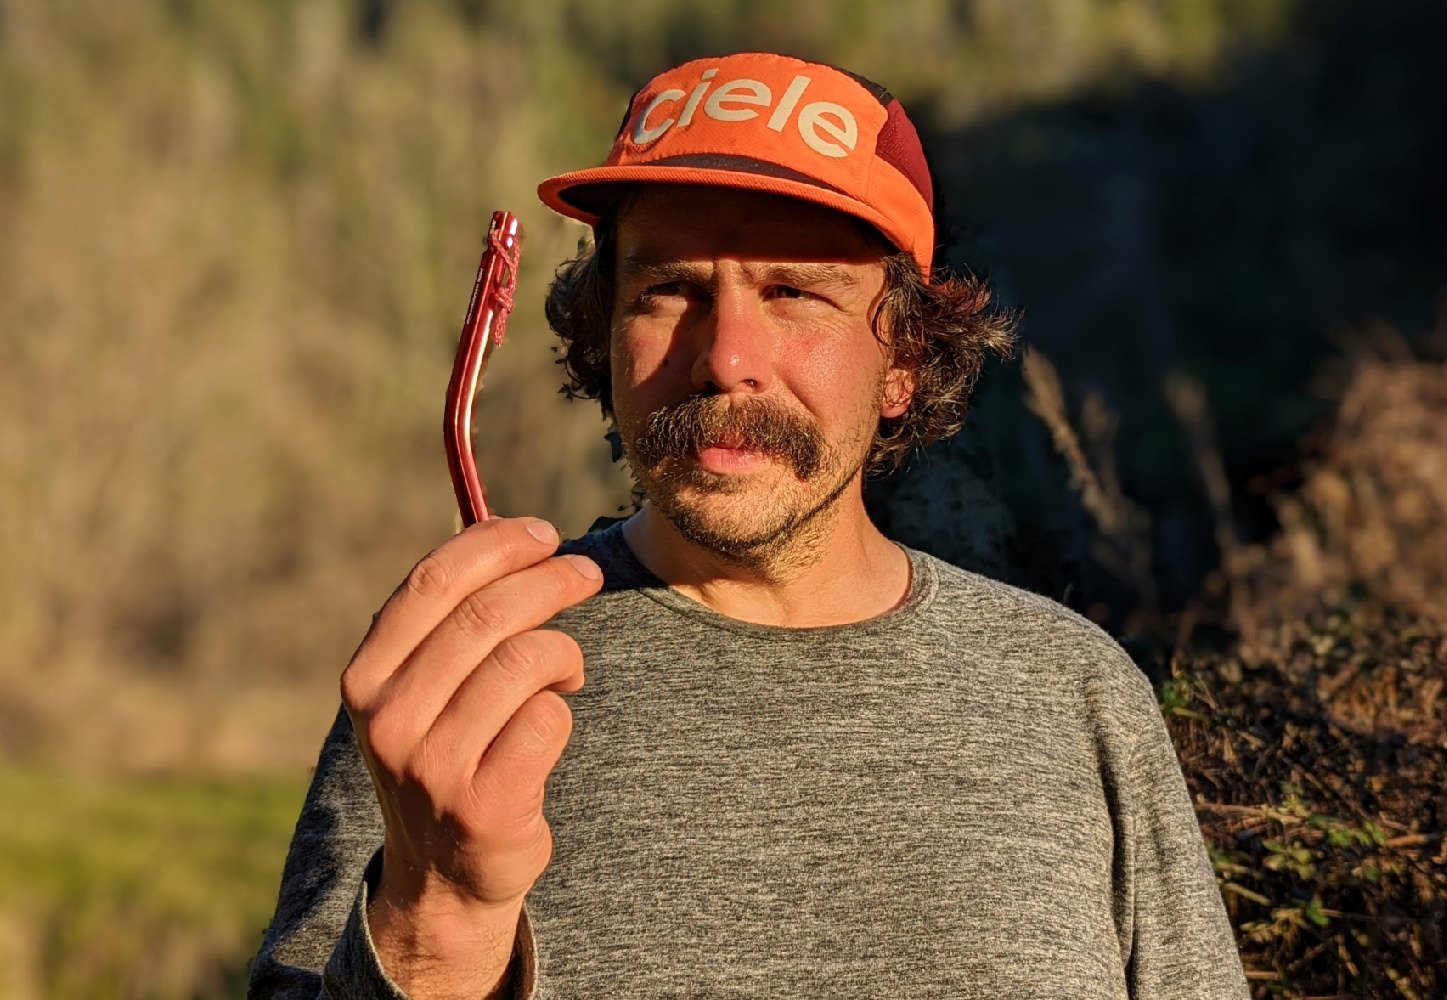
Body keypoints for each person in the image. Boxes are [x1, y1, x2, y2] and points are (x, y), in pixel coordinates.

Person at [250, 52, 1250, 999]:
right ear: (604, 331)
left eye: (794, 293)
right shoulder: (462, 695)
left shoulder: (1076, 699)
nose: (726, 356)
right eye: (668, 289)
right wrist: (438, 920)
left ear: (904, 358)